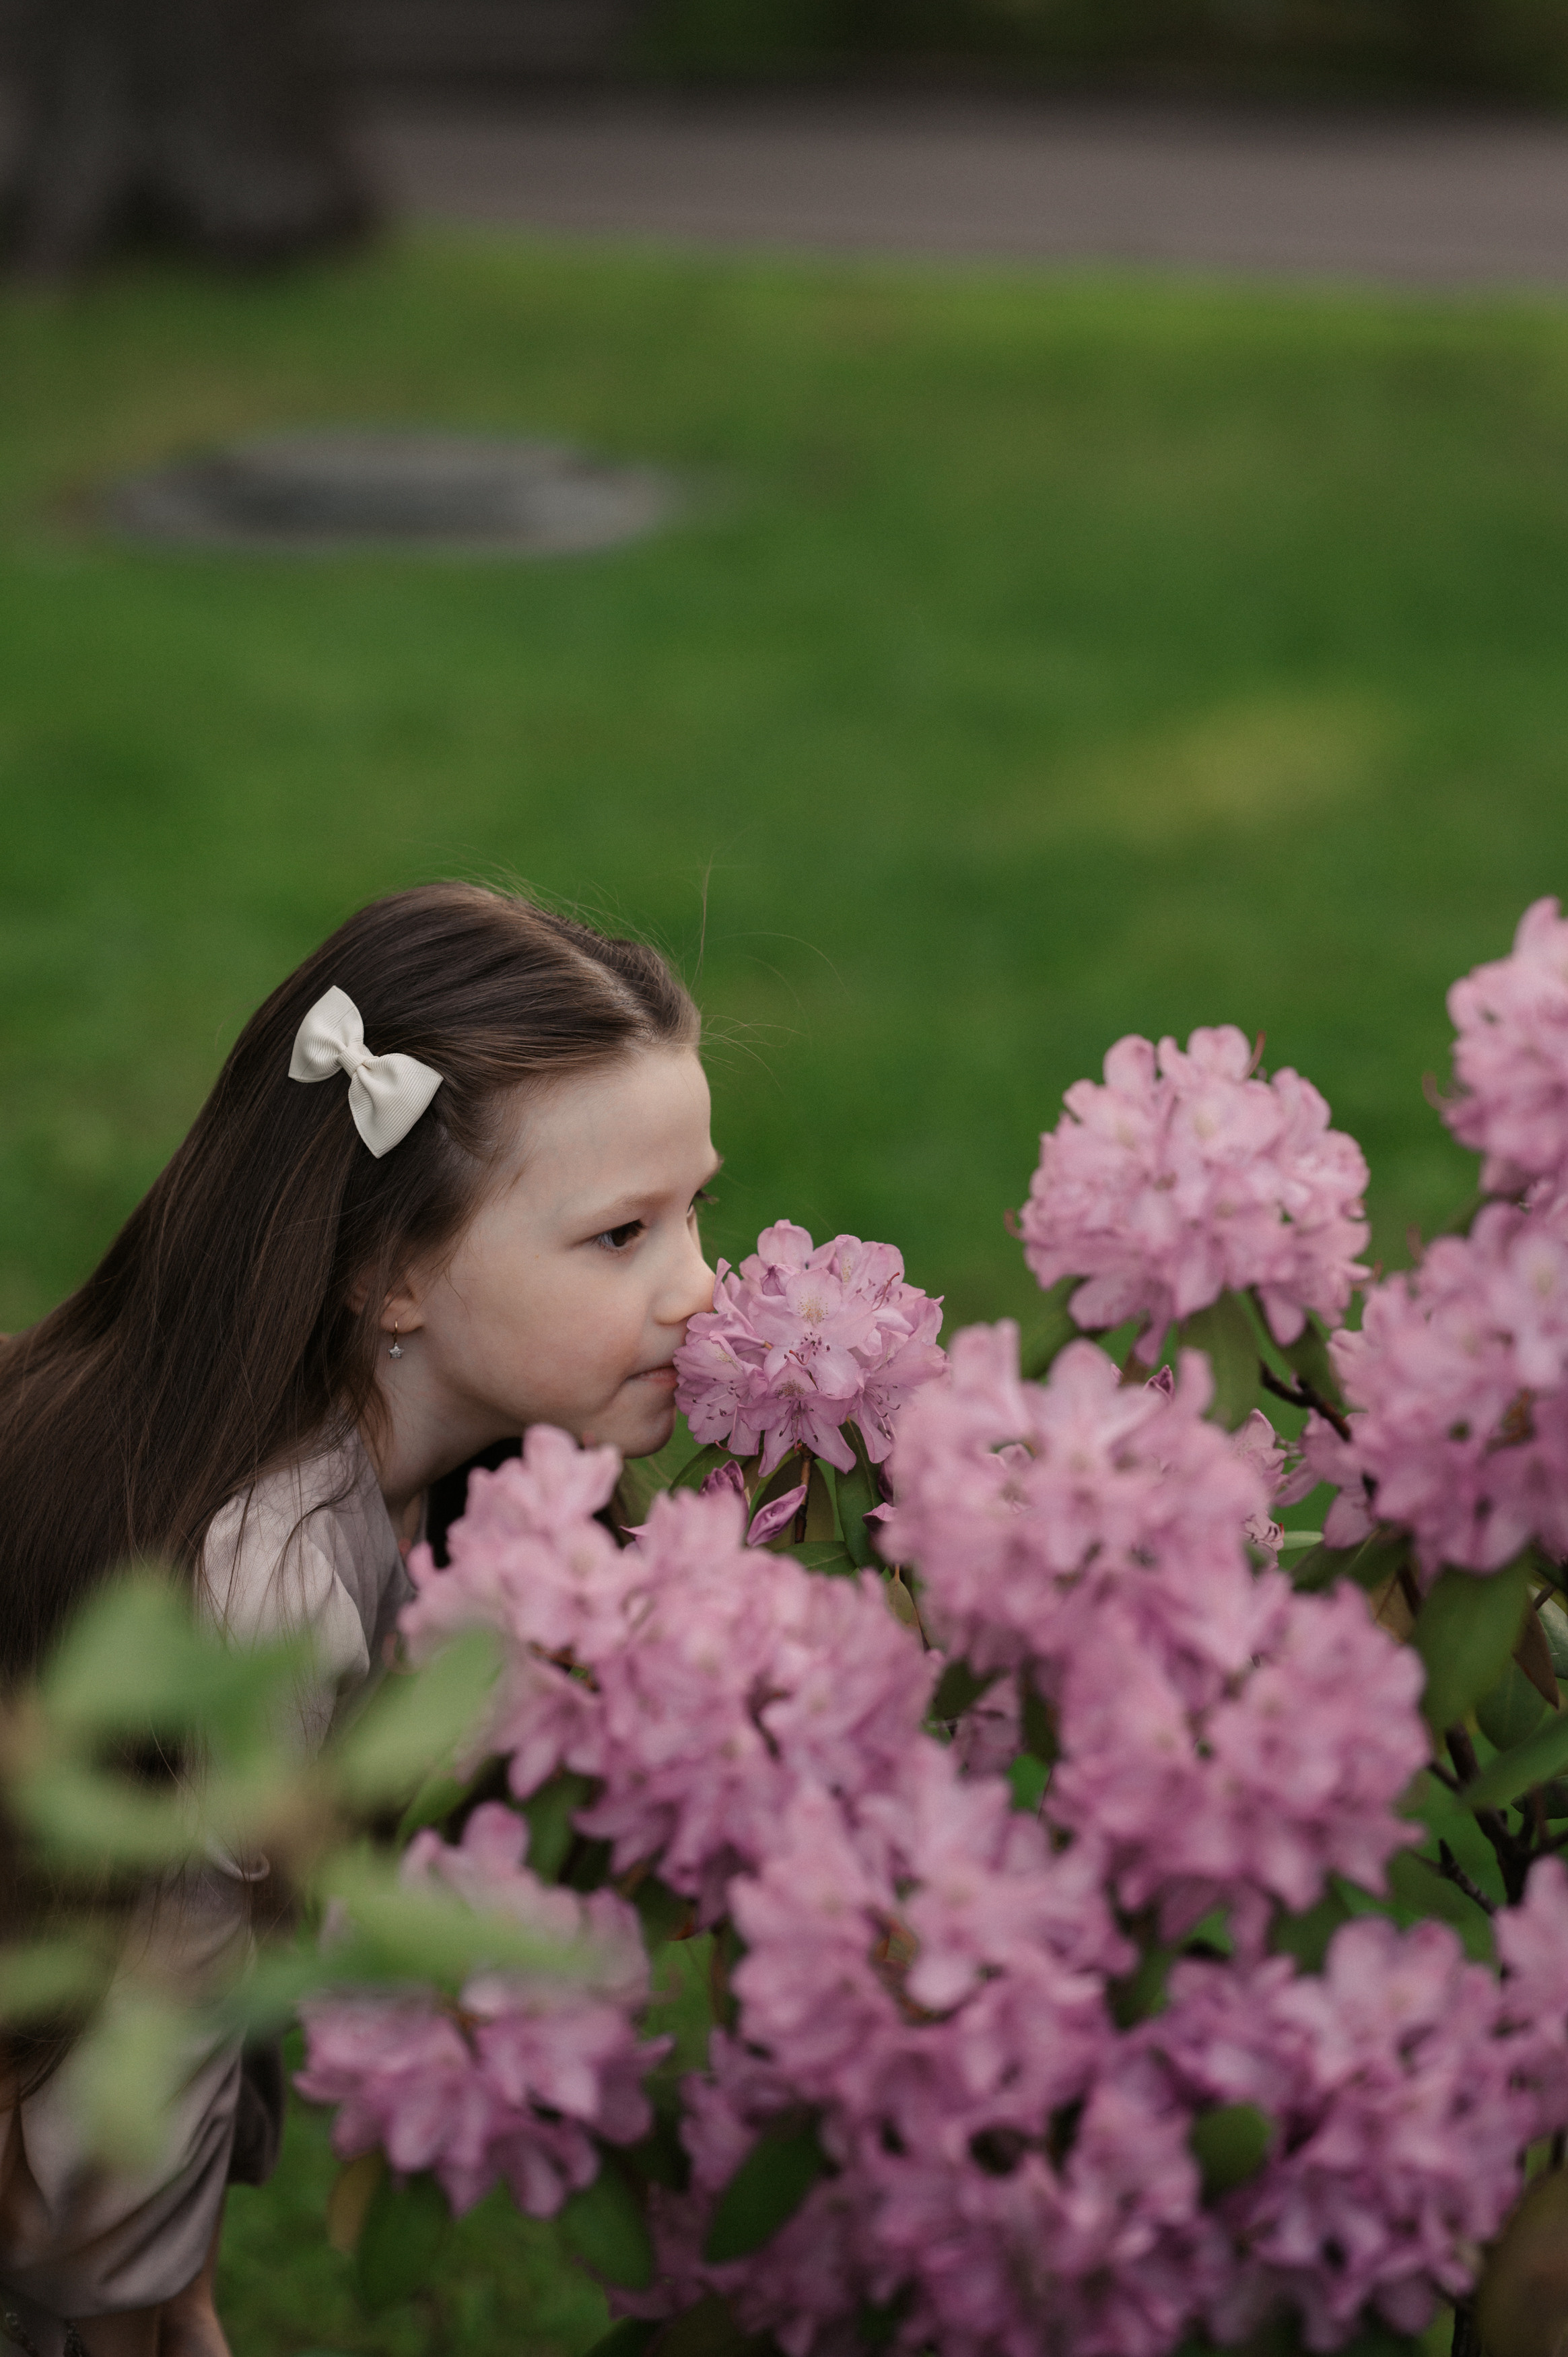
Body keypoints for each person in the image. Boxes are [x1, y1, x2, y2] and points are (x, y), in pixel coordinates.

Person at [0, 882, 718, 2357]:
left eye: (694, 1206)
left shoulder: (412, 1481)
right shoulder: (260, 1599)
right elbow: (140, 2050)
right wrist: (144, 2306)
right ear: (388, 1277)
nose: (697, 1289)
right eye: (619, 1237)